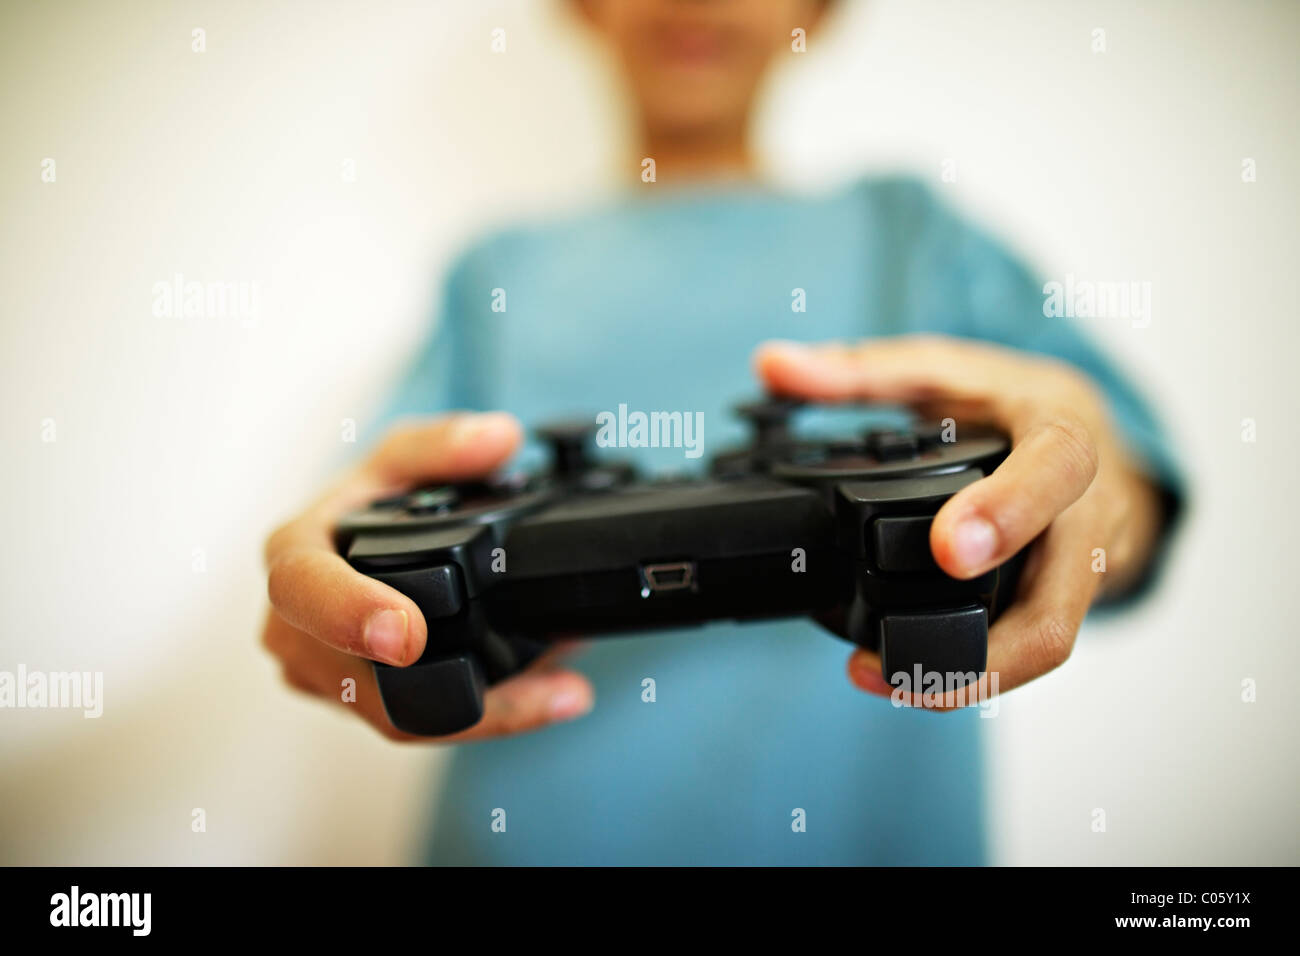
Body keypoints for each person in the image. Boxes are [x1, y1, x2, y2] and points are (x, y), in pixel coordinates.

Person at [261, 0, 1182, 864]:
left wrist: (1090, 501)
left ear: (813, 11)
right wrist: (332, 606)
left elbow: (1117, 498)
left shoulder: (913, 233)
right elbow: (365, 523)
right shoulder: (496, 272)